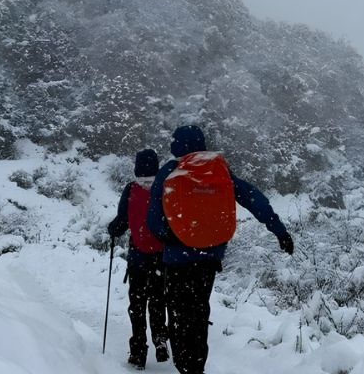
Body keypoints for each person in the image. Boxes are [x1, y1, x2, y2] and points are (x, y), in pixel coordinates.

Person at [147, 124, 294, 374]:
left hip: (176, 259)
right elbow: (253, 198)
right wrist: (279, 230)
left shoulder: (170, 171)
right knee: (199, 312)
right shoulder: (220, 171)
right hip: (208, 257)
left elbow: (153, 220)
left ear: (179, 145)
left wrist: (172, 237)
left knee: (179, 315)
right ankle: (196, 366)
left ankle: (184, 366)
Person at [107, 148, 171, 370]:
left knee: (137, 305)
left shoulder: (131, 189)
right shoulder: (165, 189)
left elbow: (122, 221)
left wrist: (113, 229)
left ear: (136, 169)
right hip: (162, 259)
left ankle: (138, 352)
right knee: (158, 301)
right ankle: (161, 339)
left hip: (138, 258)